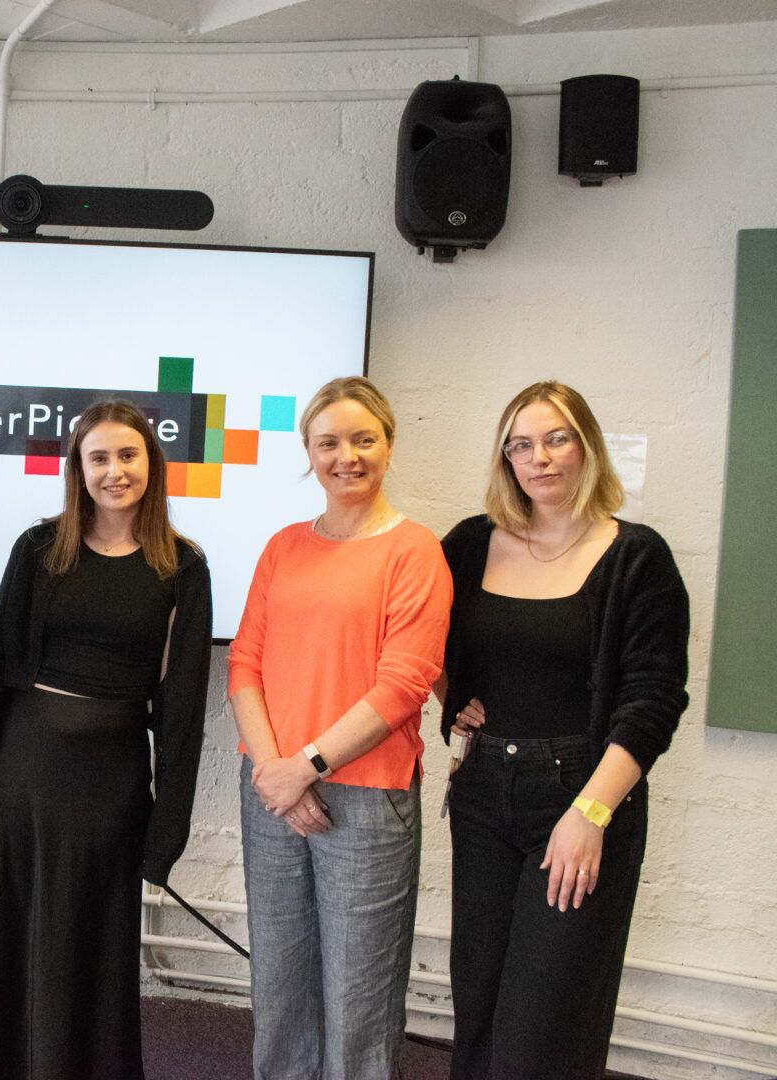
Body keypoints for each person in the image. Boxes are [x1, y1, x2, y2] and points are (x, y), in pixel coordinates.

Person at [439, 381, 689, 1079]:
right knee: (480, 1002)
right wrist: (450, 697)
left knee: (546, 1020)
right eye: (521, 444)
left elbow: (654, 699)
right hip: (486, 791)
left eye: (556, 439)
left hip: (581, 794)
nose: (539, 458)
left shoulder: (637, 558)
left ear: (587, 448)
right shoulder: (469, 543)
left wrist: (592, 812)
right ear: (505, 460)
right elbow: (416, 638)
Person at [0, 399, 213, 1080]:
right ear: (78, 467)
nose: (114, 471)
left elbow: (184, 709)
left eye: (127, 455)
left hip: (114, 780)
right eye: (98, 457)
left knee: (94, 946)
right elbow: (2, 668)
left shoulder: (182, 567)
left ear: (151, 465)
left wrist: (170, 825)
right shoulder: (39, 548)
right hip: (31, 768)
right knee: (25, 934)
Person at [227, 375, 452, 1080]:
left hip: (366, 799)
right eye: (328, 442)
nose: (345, 456)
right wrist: (276, 774)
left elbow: (403, 687)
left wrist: (306, 767)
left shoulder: (414, 551)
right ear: (308, 452)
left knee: (359, 997)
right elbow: (244, 666)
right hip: (271, 791)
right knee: (282, 985)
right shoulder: (284, 546)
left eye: (363, 439)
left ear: (388, 444)